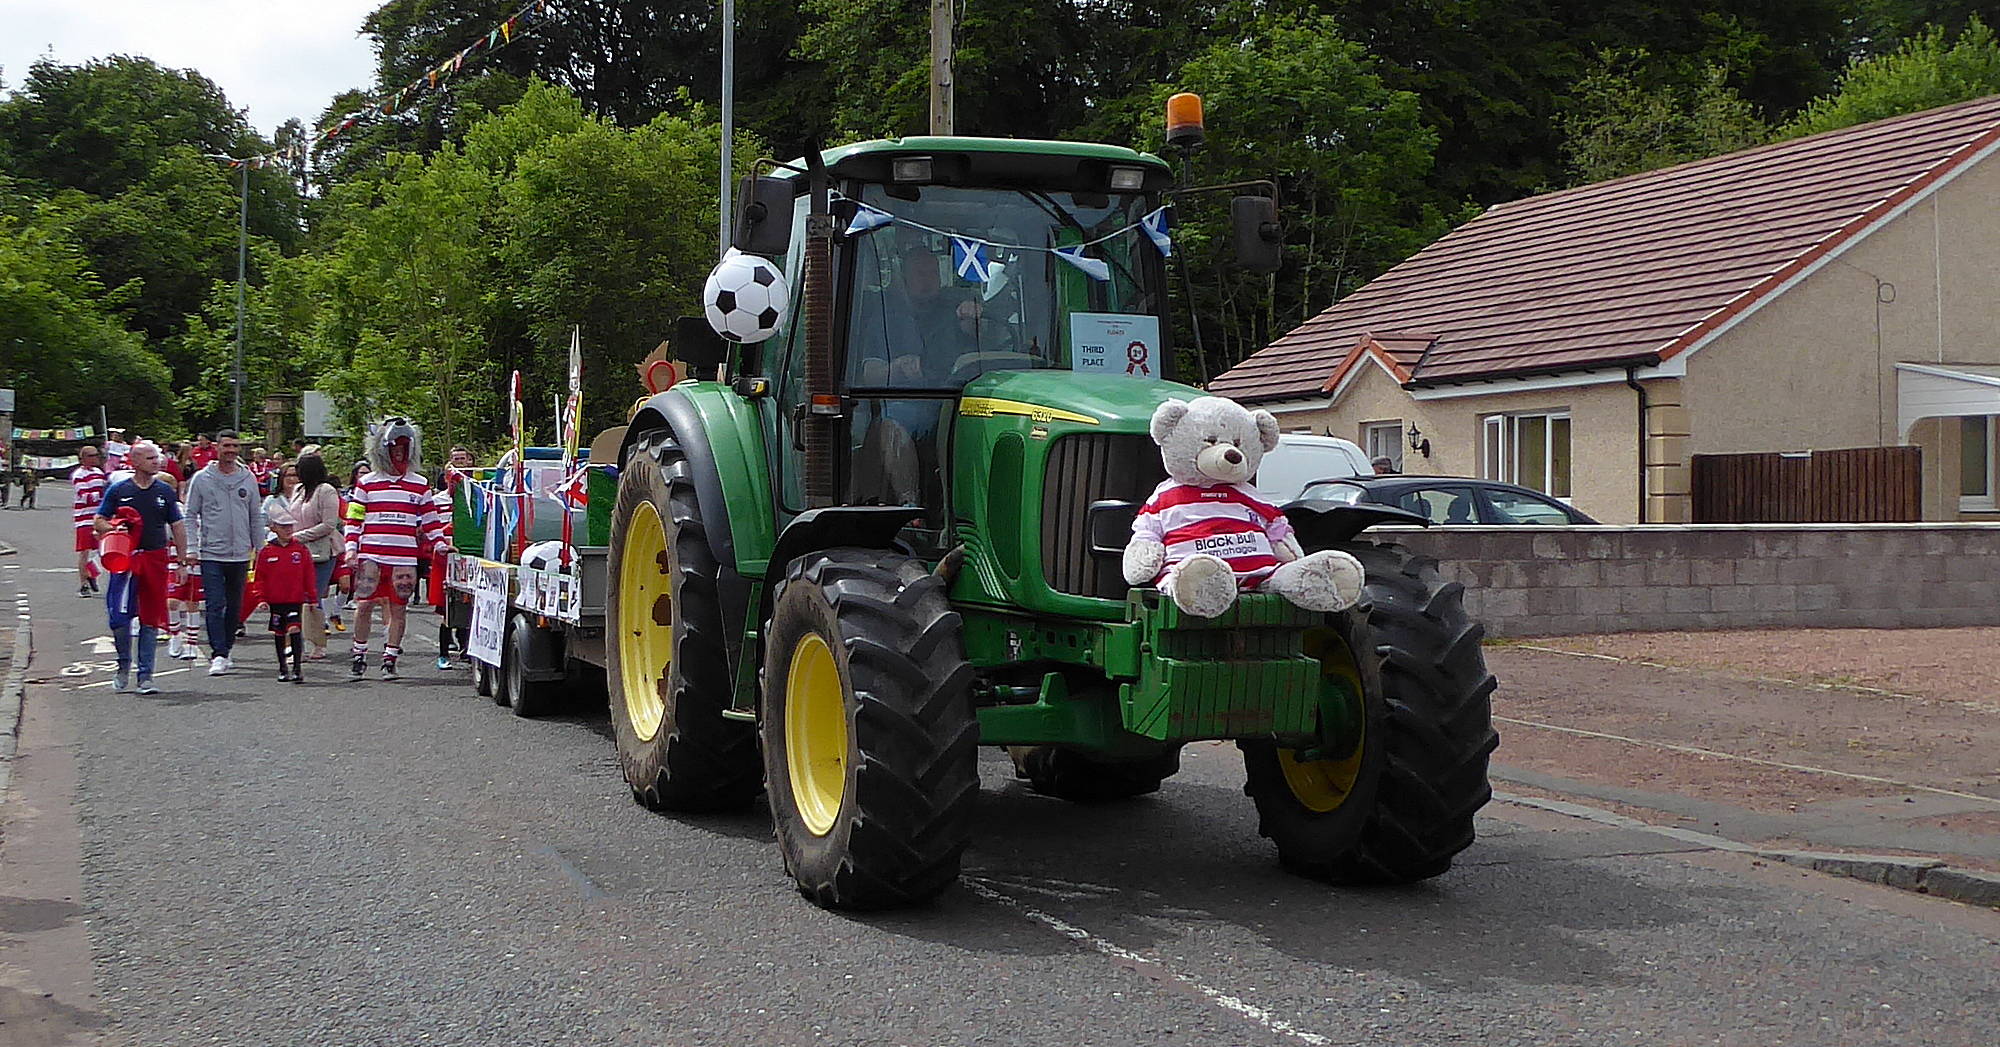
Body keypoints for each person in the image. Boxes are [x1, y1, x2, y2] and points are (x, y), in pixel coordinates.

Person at [345, 418, 444, 680]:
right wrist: (351, 549)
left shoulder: (419, 483)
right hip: (371, 556)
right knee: (364, 605)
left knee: (399, 608)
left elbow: (431, 519)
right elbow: (354, 519)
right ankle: (359, 653)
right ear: (383, 450)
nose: (398, 454)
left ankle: (390, 657)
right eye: (394, 448)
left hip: (403, 558)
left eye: (403, 448)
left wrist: (441, 544)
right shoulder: (367, 482)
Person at [96, 441, 187, 694]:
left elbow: (178, 526)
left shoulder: (164, 492)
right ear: (134, 462)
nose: (156, 462)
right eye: (149, 458)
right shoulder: (118, 490)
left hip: (155, 559)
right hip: (126, 560)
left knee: (151, 617)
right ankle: (123, 664)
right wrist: (114, 528)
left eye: (156, 458)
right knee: (119, 617)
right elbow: (99, 520)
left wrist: (182, 561)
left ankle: (146, 675)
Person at [183, 430, 261, 676]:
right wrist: (192, 548)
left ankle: (226, 649)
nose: (231, 450)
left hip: (240, 553)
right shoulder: (202, 478)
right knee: (215, 604)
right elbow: (189, 514)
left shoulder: (247, 478)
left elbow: (255, 515)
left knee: (235, 606)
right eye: (226, 445)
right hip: (211, 552)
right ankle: (218, 653)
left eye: (235, 446)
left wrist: (261, 549)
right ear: (217, 447)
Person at [288, 454, 343, 662]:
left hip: (322, 552)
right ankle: (296, 645)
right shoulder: (298, 491)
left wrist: (299, 536)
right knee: (295, 597)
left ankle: (318, 643)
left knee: (312, 597)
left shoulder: (326, 491)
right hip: (296, 551)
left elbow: (329, 524)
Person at [256, 509, 317, 683]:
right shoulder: (266, 552)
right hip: (276, 601)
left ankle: (297, 667)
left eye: (290, 526)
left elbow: (309, 575)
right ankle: (283, 667)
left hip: (294, 599)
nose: (288, 530)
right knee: (279, 633)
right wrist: (260, 598)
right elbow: (259, 578)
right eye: (283, 527)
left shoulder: (300, 549)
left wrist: (312, 598)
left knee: (294, 628)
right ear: (274, 528)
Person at [70, 445, 108, 598]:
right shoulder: (78, 474)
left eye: (97, 455)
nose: (96, 458)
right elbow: (84, 496)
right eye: (93, 455)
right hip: (84, 518)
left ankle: (92, 571)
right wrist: (101, 494)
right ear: (84, 458)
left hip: (98, 517)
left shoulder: (99, 473)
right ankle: (83, 585)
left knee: (104, 550)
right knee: (84, 552)